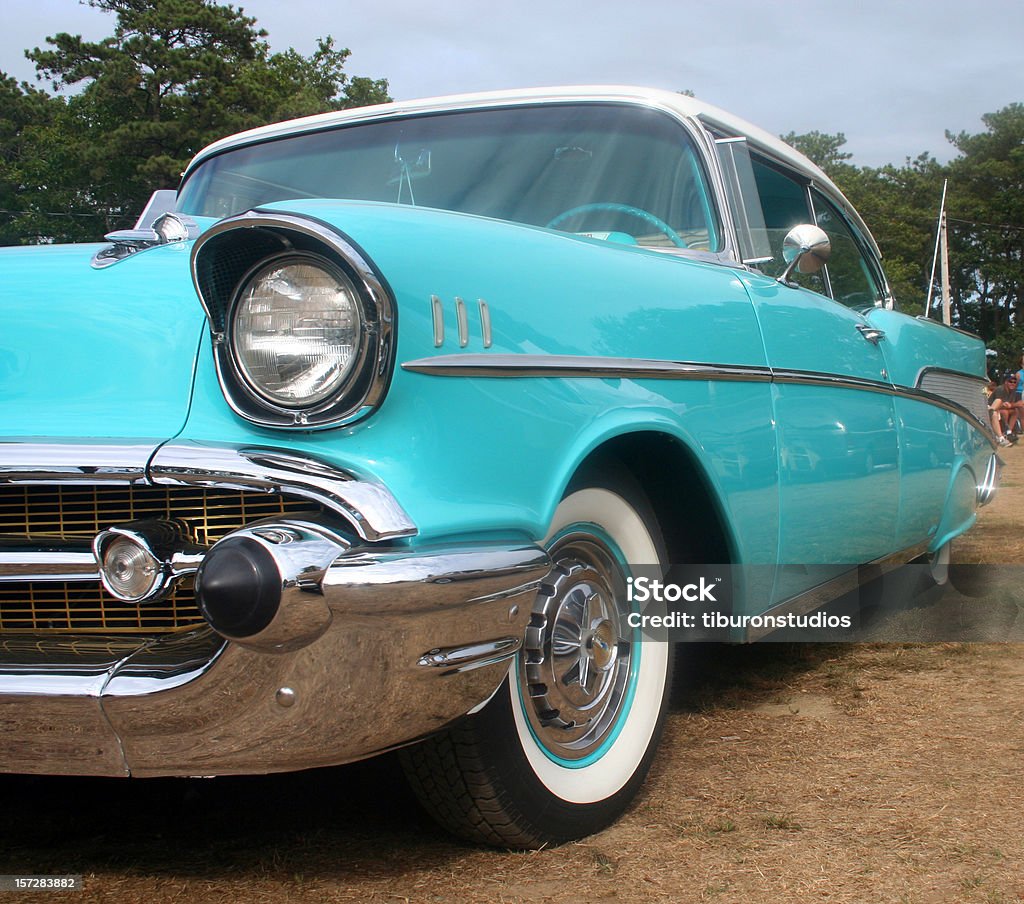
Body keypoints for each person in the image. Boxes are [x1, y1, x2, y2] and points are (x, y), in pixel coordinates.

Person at [988, 372, 1023, 445]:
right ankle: (1004, 433)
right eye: (1010, 381)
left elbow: (1010, 405)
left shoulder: (1013, 390)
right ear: (1005, 382)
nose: (1012, 383)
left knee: (1015, 411)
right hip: (992, 409)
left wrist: (1011, 405)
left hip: (1001, 409)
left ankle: (1009, 432)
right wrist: (1012, 405)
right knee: (1004, 412)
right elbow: (999, 404)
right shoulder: (1000, 389)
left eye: (1014, 382)